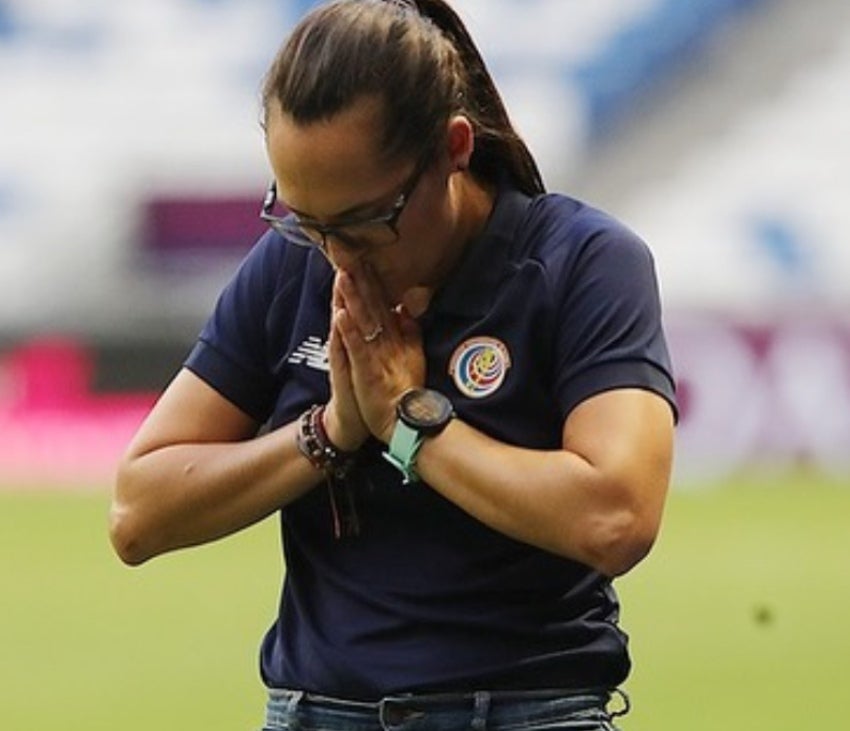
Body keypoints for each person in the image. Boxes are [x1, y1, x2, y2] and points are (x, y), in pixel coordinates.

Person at [109, 1, 677, 729]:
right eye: (306, 220)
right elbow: (137, 512)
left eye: (365, 220)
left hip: (527, 712)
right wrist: (330, 432)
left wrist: (412, 425)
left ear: (454, 148)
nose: (338, 257)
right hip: (317, 712)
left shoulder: (584, 262)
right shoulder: (290, 265)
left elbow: (617, 516)